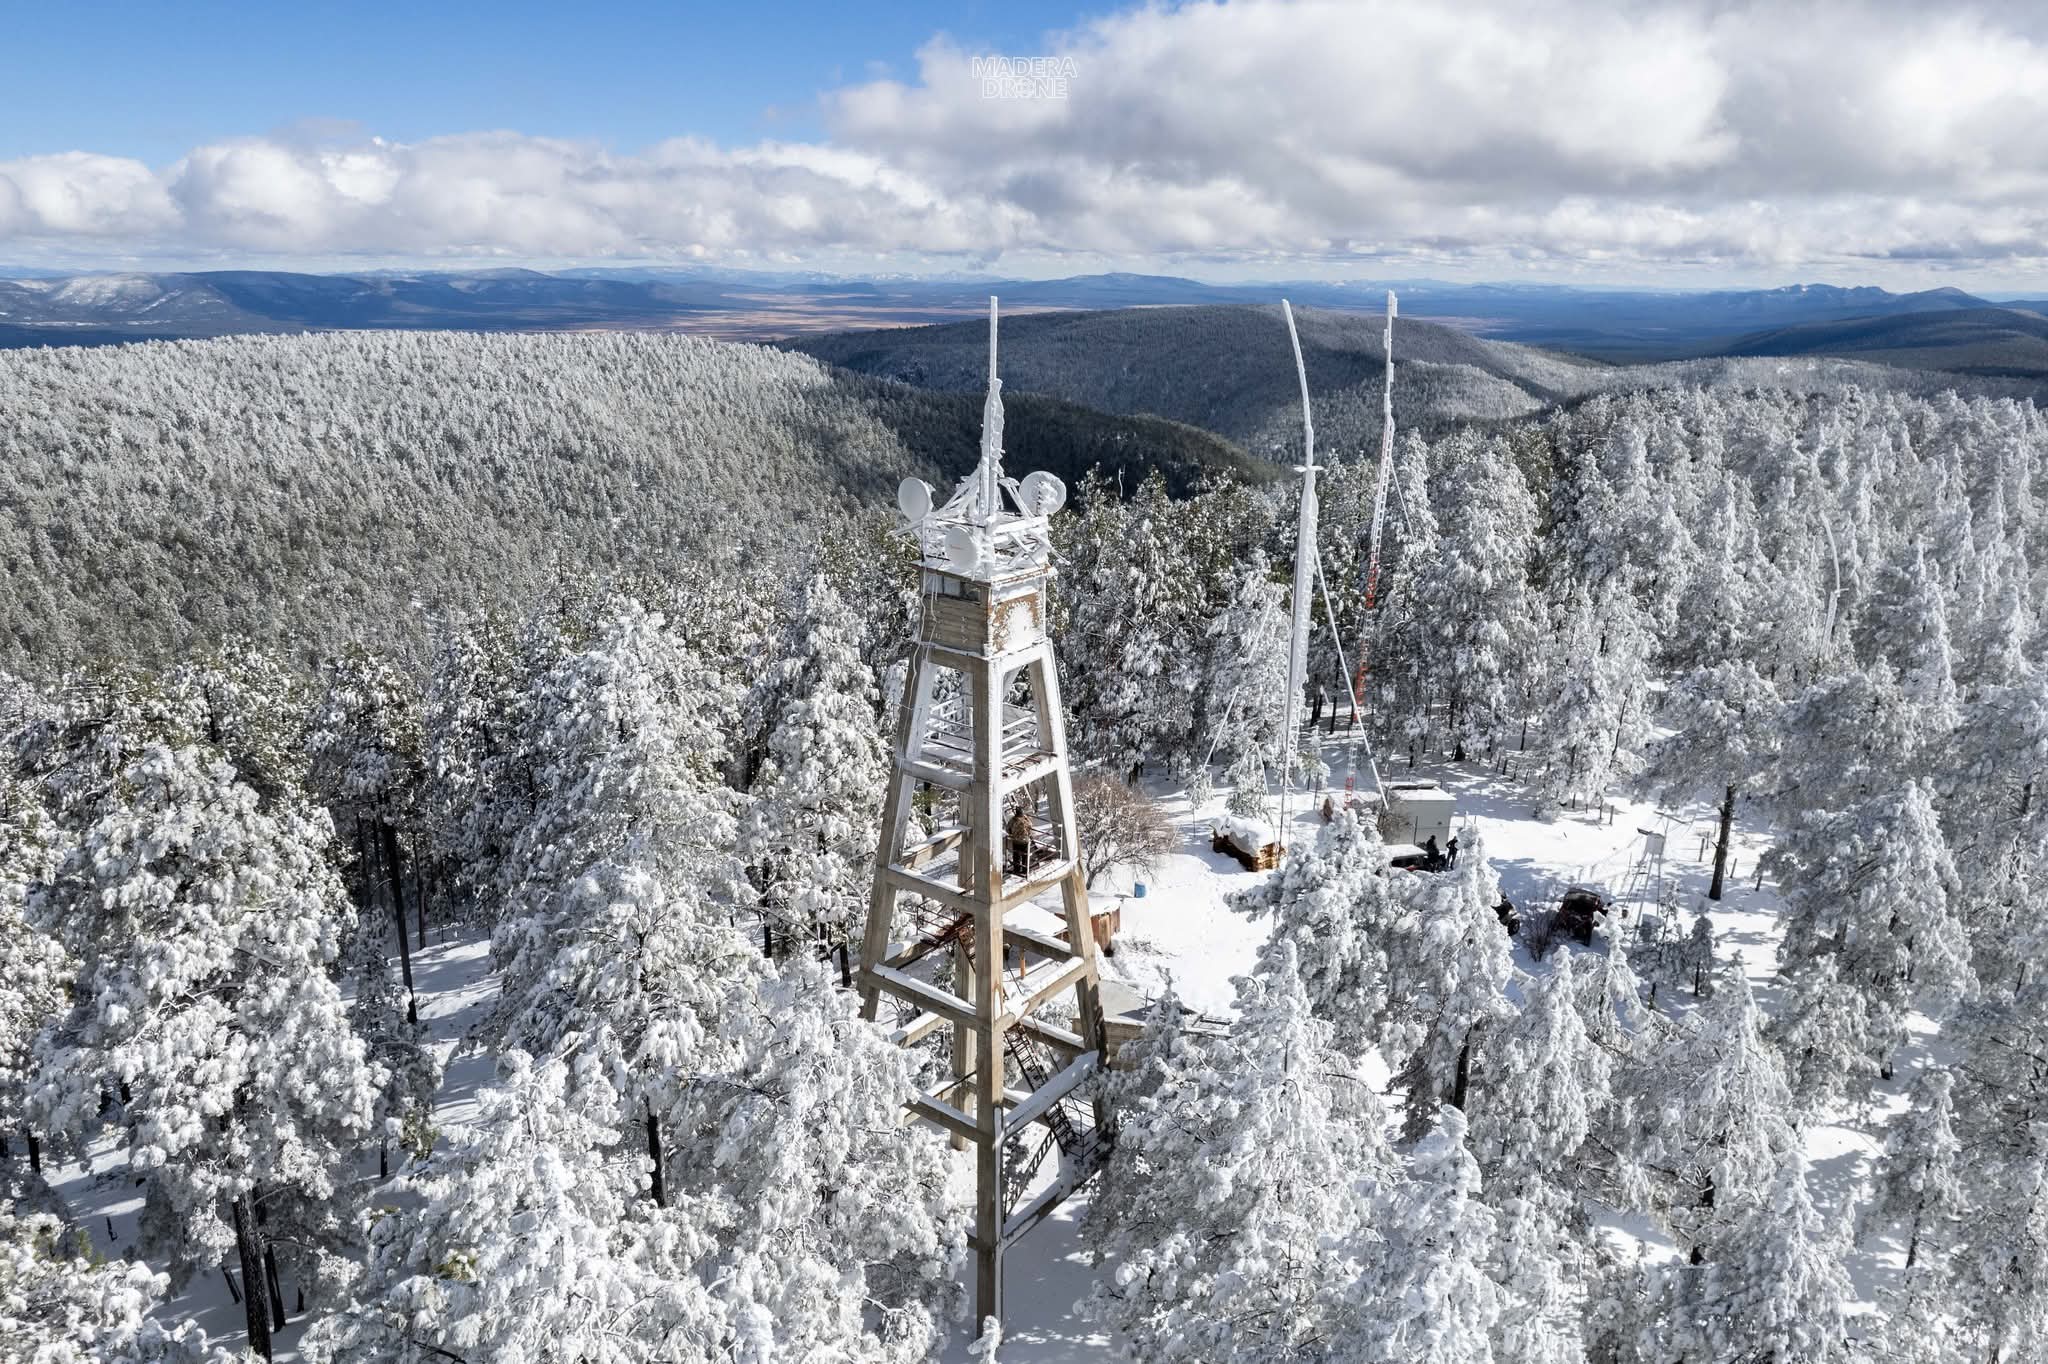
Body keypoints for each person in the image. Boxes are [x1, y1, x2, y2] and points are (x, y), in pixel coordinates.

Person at [1007, 804, 1035, 878]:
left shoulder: (1013, 820)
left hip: (1016, 840)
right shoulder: (1026, 819)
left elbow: (1008, 828)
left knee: (1016, 856)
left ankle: (1017, 869)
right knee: (1024, 856)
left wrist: (1012, 833)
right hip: (1025, 841)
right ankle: (1025, 870)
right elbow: (1030, 827)